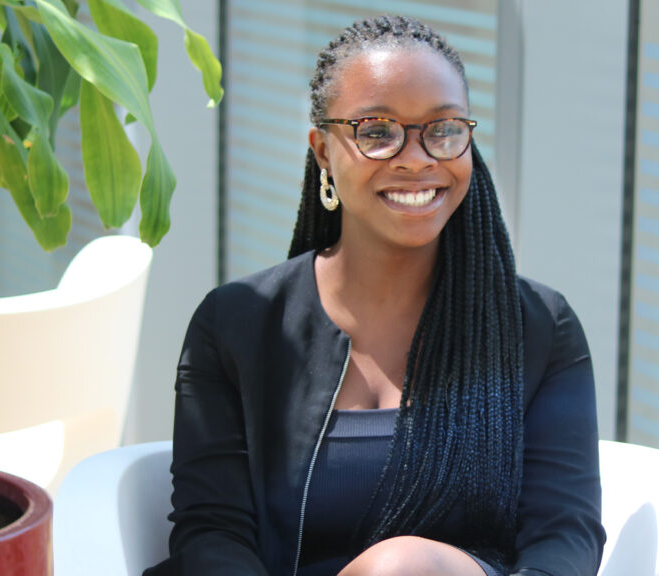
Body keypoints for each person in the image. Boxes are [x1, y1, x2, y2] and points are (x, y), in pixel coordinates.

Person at [145, 15, 605, 576]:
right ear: (321, 151)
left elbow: (564, 538)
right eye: (377, 131)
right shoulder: (237, 323)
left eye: (443, 129)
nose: (416, 158)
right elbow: (212, 535)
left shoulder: (538, 328)